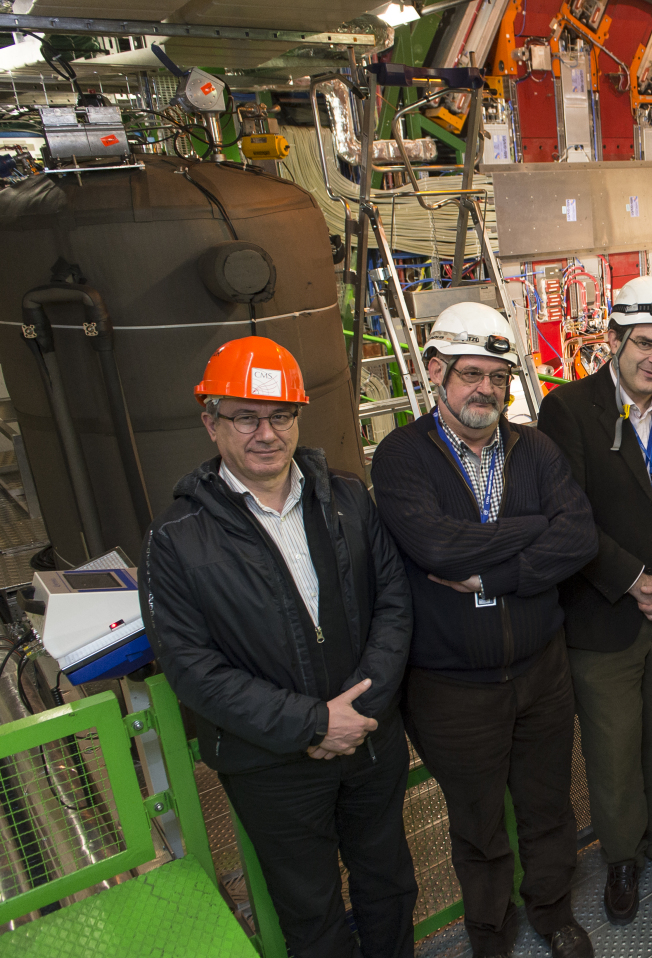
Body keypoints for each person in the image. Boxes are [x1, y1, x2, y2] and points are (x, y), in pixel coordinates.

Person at [140, 336, 416, 958]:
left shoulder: (347, 498)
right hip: (272, 766)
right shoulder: (176, 538)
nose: (266, 433)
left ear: (298, 418)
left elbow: (394, 603)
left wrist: (360, 711)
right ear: (211, 423)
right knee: (311, 916)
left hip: (370, 742)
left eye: (280, 416)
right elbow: (192, 669)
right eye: (245, 416)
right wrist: (314, 723)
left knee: (390, 886)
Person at [370, 304, 598, 958]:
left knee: (548, 805)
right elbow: (437, 549)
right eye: (472, 374)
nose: (486, 391)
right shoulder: (402, 457)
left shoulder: (537, 448)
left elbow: (578, 536)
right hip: (451, 687)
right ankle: (490, 932)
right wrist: (532, 529)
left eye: (498, 378)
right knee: (476, 823)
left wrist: (493, 575)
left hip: (540, 671)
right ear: (436, 371)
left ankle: (553, 912)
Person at [537, 276, 652, 925]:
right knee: (613, 749)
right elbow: (570, 517)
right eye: (644, 343)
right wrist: (635, 580)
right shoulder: (569, 410)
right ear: (613, 339)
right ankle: (622, 857)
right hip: (605, 613)